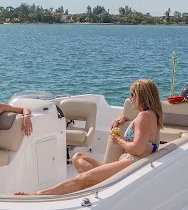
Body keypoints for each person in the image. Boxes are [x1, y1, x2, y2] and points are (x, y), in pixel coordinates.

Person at [16, 79, 162, 196]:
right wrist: (125, 119)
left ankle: (38, 194)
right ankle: (98, 185)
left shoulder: (144, 117)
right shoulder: (150, 115)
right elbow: (143, 134)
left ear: (142, 96)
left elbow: (137, 149)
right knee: (78, 157)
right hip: (126, 163)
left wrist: (118, 141)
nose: (130, 98)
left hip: (131, 163)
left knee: (82, 178)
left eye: (132, 94)